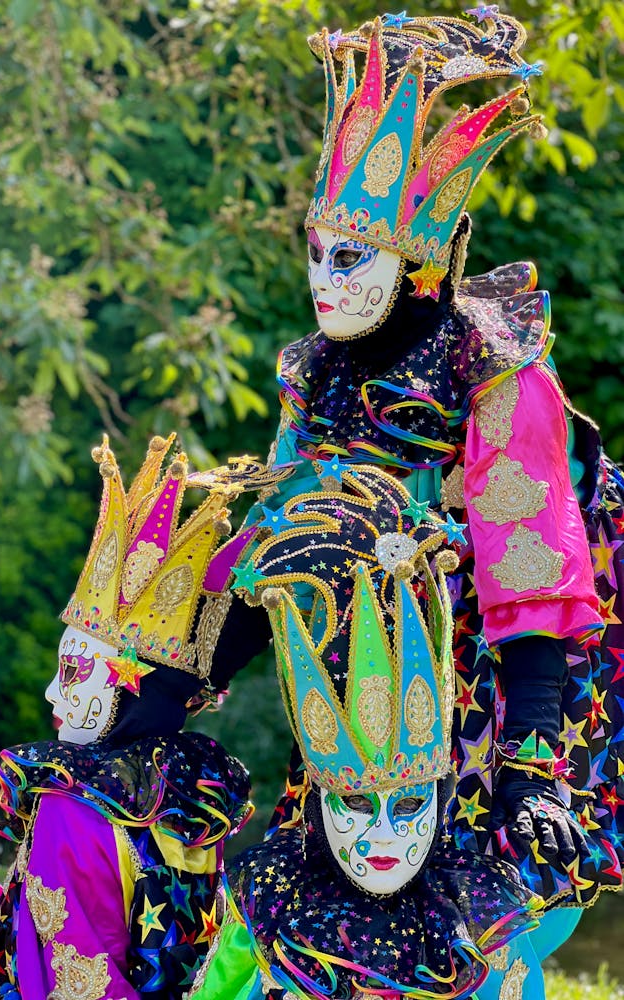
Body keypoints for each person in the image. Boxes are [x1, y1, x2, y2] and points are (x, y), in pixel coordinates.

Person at [205, 4, 623, 943]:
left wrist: (529, 757)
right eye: (313, 251)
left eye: (349, 255)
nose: (324, 279)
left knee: (479, 913)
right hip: (362, 675)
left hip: (492, 666)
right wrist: (173, 680)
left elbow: (531, 561)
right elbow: (275, 539)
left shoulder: (494, 368)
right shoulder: (313, 372)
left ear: (414, 258)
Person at [0, 434, 270, 1000]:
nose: (51, 694)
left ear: (132, 689)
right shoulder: (193, 789)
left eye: (73, 672)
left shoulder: (72, 808)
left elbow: (70, 981)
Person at [191, 465, 545, 999]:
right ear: (319, 803)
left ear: (440, 799)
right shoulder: (269, 911)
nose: (381, 836)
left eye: (407, 806)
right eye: (355, 801)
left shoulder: (478, 929)